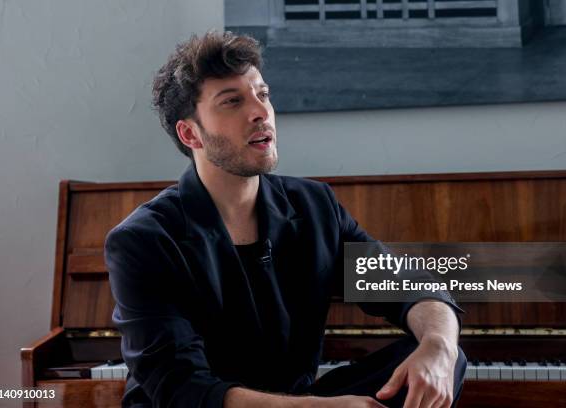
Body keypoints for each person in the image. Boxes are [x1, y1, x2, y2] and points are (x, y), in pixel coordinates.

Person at [105, 31, 466, 408]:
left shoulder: (315, 205)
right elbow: (182, 387)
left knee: (442, 360)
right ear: (190, 133)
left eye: (262, 94)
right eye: (232, 102)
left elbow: (407, 284)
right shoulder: (142, 239)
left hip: (296, 400)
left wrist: (439, 345)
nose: (260, 112)